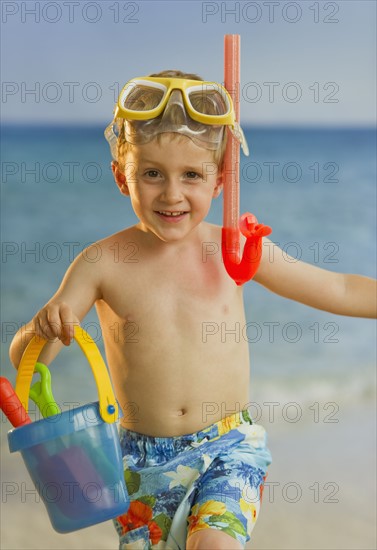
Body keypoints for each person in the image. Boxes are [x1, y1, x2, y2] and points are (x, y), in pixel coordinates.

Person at [9, 70, 377, 550]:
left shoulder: (233, 250)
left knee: (215, 545)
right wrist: (45, 324)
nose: (172, 193)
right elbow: (28, 360)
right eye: (152, 173)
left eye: (191, 175)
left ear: (221, 180)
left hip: (228, 445)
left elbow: (337, 287)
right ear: (123, 176)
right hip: (136, 465)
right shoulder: (101, 262)